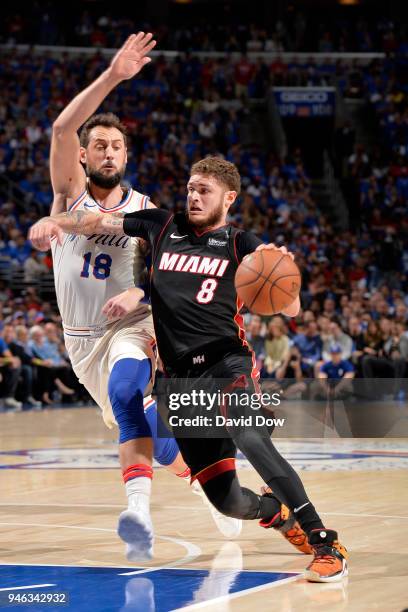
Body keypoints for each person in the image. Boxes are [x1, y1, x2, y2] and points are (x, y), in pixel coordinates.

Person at [30, 155, 348, 583]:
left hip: (226, 362)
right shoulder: (162, 225)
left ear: (229, 198)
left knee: (250, 437)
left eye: (205, 191)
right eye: (191, 189)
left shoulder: (242, 244)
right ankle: (275, 511)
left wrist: (282, 272)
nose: (194, 197)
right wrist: (56, 225)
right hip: (178, 379)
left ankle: (325, 542)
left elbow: (290, 306)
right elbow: (95, 223)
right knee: (228, 501)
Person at [35, 32, 241, 561]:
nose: (108, 151)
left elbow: (171, 282)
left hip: (133, 327)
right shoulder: (68, 194)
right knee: (149, 429)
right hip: (82, 343)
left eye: (116, 145)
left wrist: (139, 299)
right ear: (83, 156)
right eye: (98, 145)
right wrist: (113, 76)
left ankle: (138, 512)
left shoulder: (147, 209)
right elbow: (60, 128)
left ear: (127, 154)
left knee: (130, 387)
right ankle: (211, 484)